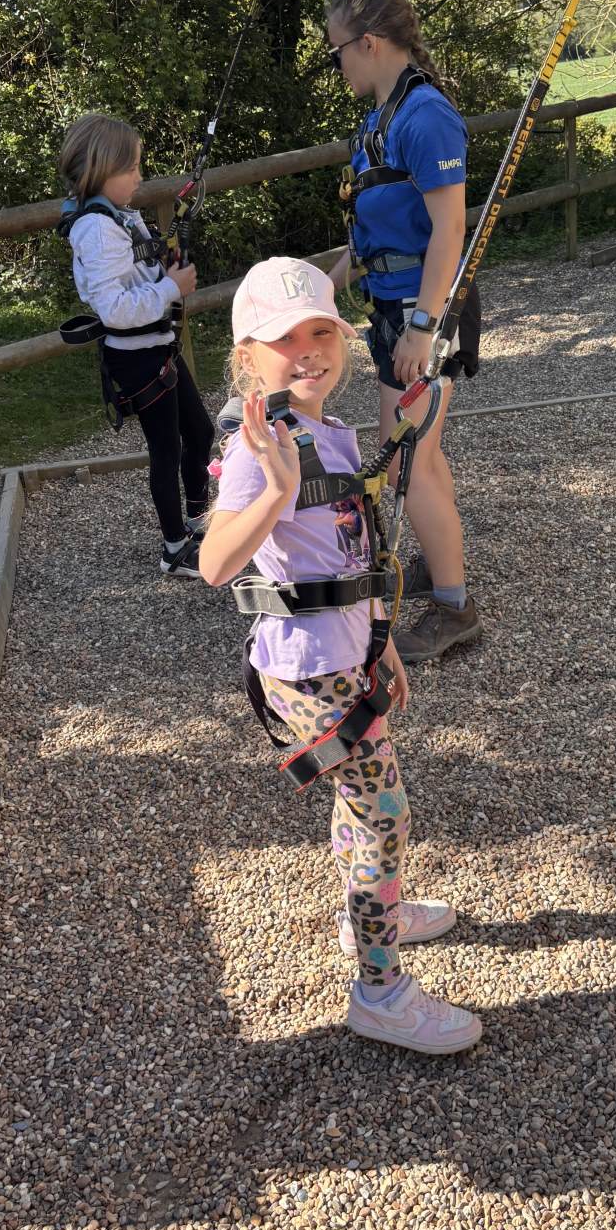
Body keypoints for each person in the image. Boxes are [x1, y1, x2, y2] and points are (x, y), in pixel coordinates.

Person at [200, 256, 482, 1054]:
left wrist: (380, 642)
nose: (308, 351)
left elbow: (351, 544)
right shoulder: (260, 446)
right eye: (284, 340)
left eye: (321, 332)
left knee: (360, 804)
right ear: (247, 356)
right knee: (384, 813)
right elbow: (216, 564)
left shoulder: (320, 428)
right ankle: (379, 992)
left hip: (344, 653)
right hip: (308, 667)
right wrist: (273, 492)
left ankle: (368, 913)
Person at [324, 0, 483, 664]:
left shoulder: (424, 117)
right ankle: (443, 567)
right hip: (393, 306)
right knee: (418, 458)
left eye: (336, 51)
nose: (336, 65)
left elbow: (450, 230)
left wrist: (423, 326)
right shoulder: (381, 117)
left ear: (369, 42)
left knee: (407, 464)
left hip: (423, 312)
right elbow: (374, 227)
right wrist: (329, 281)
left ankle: (454, 608)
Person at [58, 114, 214, 579]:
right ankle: (175, 548)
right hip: (137, 356)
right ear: (102, 170)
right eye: (132, 168)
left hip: (157, 346)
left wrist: (166, 265)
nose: (139, 176)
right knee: (167, 449)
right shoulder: (96, 229)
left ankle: (199, 522)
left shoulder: (117, 216)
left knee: (200, 432)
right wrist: (170, 288)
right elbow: (114, 309)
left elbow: (135, 272)